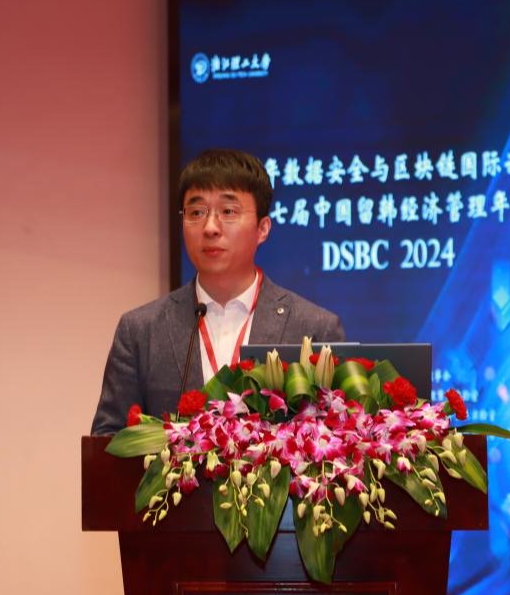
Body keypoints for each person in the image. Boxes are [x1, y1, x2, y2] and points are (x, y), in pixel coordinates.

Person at [90, 149, 345, 435]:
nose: (210, 228)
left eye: (228, 212)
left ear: (262, 228)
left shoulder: (314, 328)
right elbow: (108, 440)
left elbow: (339, 438)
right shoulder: (140, 330)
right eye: (196, 213)